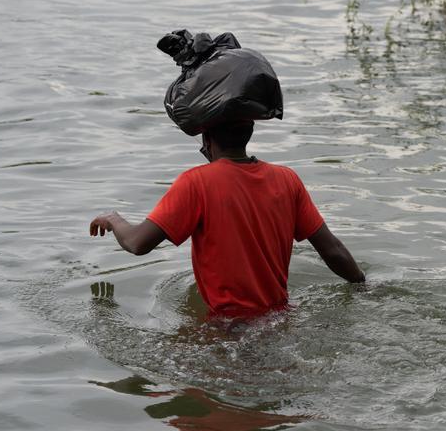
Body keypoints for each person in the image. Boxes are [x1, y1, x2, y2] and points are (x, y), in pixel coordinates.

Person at [89, 120, 364, 319]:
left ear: (206, 138)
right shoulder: (287, 180)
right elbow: (333, 250)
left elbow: (138, 243)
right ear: (250, 131)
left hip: (225, 332)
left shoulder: (196, 183)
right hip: (279, 323)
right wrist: (363, 286)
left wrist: (114, 219)